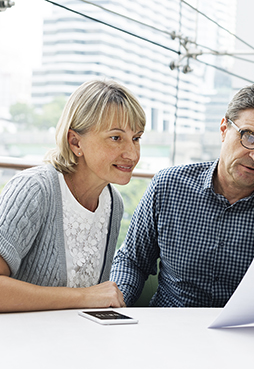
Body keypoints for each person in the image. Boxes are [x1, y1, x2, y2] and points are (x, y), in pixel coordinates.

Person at [110, 83, 254, 307]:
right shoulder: (168, 186)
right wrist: (115, 304)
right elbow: (132, 261)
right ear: (224, 129)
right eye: (249, 137)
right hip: (170, 329)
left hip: (253, 336)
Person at [0, 79, 146, 312]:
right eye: (116, 138)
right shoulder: (34, 190)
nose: (132, 153)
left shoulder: (113, 203)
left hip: (74, 341)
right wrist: (82, 297)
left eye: (136, 138)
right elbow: (87, 297)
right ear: (75, 142)